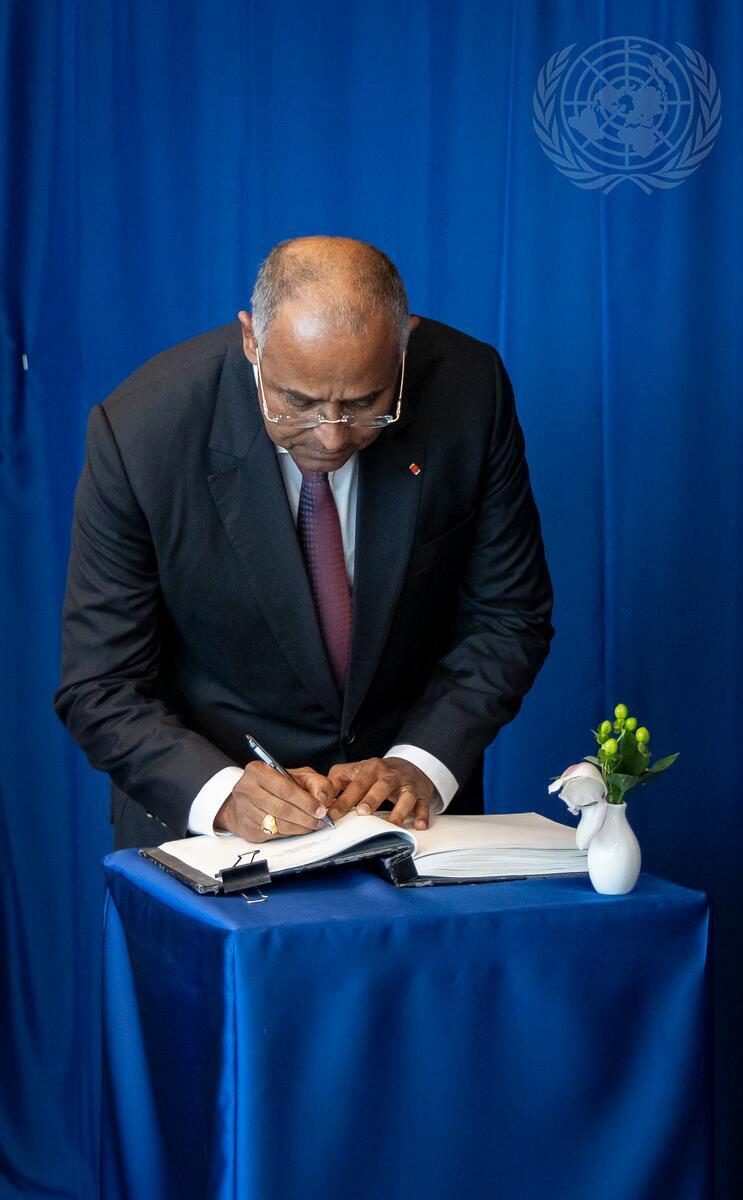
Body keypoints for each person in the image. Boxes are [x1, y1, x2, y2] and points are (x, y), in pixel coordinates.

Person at [54, 236, 553, 850]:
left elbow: (507, 617)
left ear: (404, 344)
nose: (332, 437)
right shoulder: (142, 433)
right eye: (297, 402)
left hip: (409, 822)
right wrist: (223, 793)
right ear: (251, 342)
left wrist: (421, 762)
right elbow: (101, 683)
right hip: (215, 831)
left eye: (365, 403)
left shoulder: (470, 390)